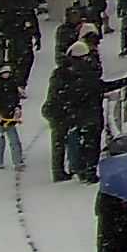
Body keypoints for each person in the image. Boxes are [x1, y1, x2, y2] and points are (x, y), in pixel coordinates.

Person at [47, 26, 107, 184]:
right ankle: (83, 170)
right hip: (81, 112)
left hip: (66, 111)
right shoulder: (84, 72)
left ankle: (70, 169)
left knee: (65, 141)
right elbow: (98, 86)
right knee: (85, 143)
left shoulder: (62, 73)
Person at [0, 63, 29, 176]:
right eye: (4, 73)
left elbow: (16, 101)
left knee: (14, 141)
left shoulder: (13, 87)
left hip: (10, 118)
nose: (6, 75)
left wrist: (17, 109)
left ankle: (17, 161)